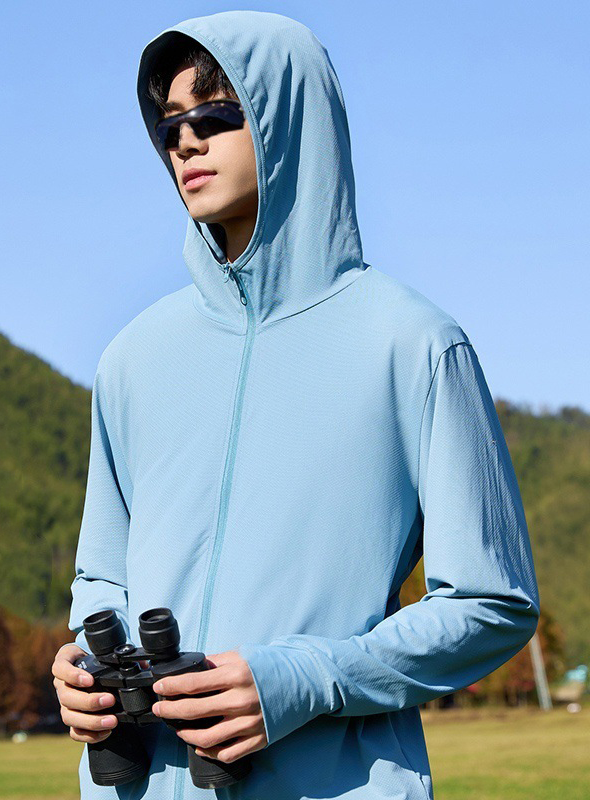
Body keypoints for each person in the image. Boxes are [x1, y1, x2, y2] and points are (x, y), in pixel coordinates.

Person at [52, 10, 540, 800]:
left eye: (216, 114)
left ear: (291, 120)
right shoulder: (132, 358)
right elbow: (101, 578)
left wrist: (304, 678)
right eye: (170, 125)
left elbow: (492, 602)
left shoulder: (413, 344)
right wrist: (81, 665)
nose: (186, 142)